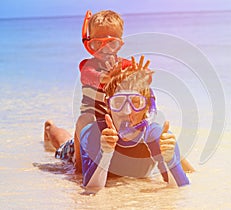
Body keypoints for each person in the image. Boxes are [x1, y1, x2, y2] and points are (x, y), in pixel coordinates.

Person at [44, 56, 190, 190]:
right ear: (108, 106)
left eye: (136, 103)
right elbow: (91, 187)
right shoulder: (94, 134)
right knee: (64, 145)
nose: (126, 112)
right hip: (75, 152)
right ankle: (50, 127)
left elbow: (180, 186)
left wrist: (170, 159)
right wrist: (105, 153)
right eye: (118, 102)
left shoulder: (155, 135)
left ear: (147, 107)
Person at [72, 10, 132, 172]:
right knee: (83, 119)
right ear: (88, 44)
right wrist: (107, 78)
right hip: (90, 130)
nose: (105, 49)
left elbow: (140, 87)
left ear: (120, 43)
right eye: (98, 43)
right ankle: (77, 167)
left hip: (116, 125)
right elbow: (91, 77)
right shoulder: (86, 65)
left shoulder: (126, 66)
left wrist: (142, 76)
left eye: (111, 43)